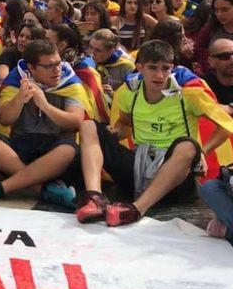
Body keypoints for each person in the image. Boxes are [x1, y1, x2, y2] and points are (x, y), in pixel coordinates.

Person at [75, 40, 233, 226]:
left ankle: (136, 209)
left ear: (172, 68)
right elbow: (125, 124)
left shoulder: (189, 95)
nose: (159, 75)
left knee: (188, 145)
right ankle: (95, 198)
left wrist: (203, 152)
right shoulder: (129, 93)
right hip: (139, 168)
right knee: (88, 126)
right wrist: (114, 134)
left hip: (175, 178)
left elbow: (226, 125)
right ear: (140, 68)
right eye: (152, 68)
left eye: (165, 68)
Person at [0, 40, 85, 208]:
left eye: (58, 63)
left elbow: (76, 122)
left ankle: (1, 188)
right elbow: (5, 119)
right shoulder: (17, 79)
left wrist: (45, 105)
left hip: (53, 151)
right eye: (49, 66)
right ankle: (42, 189)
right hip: (20, 149)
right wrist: (19, 98)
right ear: (32, 68)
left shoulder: (70, 81)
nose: (57, 70)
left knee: (69, 150)